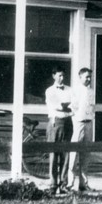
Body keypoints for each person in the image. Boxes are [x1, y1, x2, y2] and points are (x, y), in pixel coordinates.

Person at [44, 65, 73, 194]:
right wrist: (66, 106)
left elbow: (75, 105)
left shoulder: (70, 90)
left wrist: (67, 107)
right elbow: (56, 106)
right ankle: (53, 184)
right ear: (54, 76)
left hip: (68, 122)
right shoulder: (50, 91)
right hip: (55, 122)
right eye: (59, 75)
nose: (61, 78)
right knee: (53, 154)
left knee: (65, 154)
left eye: (63, 75)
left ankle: (63, 184)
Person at [68, 67, 95, 192]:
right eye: (86, 77)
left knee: (86, 153)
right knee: (74, 153)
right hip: (78, 123)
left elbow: (91, 107)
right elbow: (73, 107)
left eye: (90, 76)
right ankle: (70, 183)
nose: (89, 79)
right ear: (80, 77)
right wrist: (77, 119)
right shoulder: (75, 90)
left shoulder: (91, 91)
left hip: (89, 123)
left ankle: (83, 184)